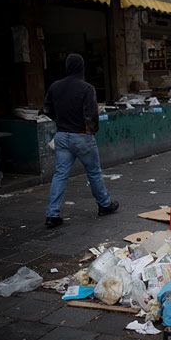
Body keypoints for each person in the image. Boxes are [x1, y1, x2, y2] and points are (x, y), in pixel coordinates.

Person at [43, 53, 118, 229]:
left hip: (62, 136)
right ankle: (104, 205)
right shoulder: (87, 88)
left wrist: (60, 121)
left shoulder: (55, 86)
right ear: (82, 67)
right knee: (93, 172)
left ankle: (52, 214)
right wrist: (91, 131)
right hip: (82, 136)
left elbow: (46, 109)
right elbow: (91, 114)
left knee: (60, 175)